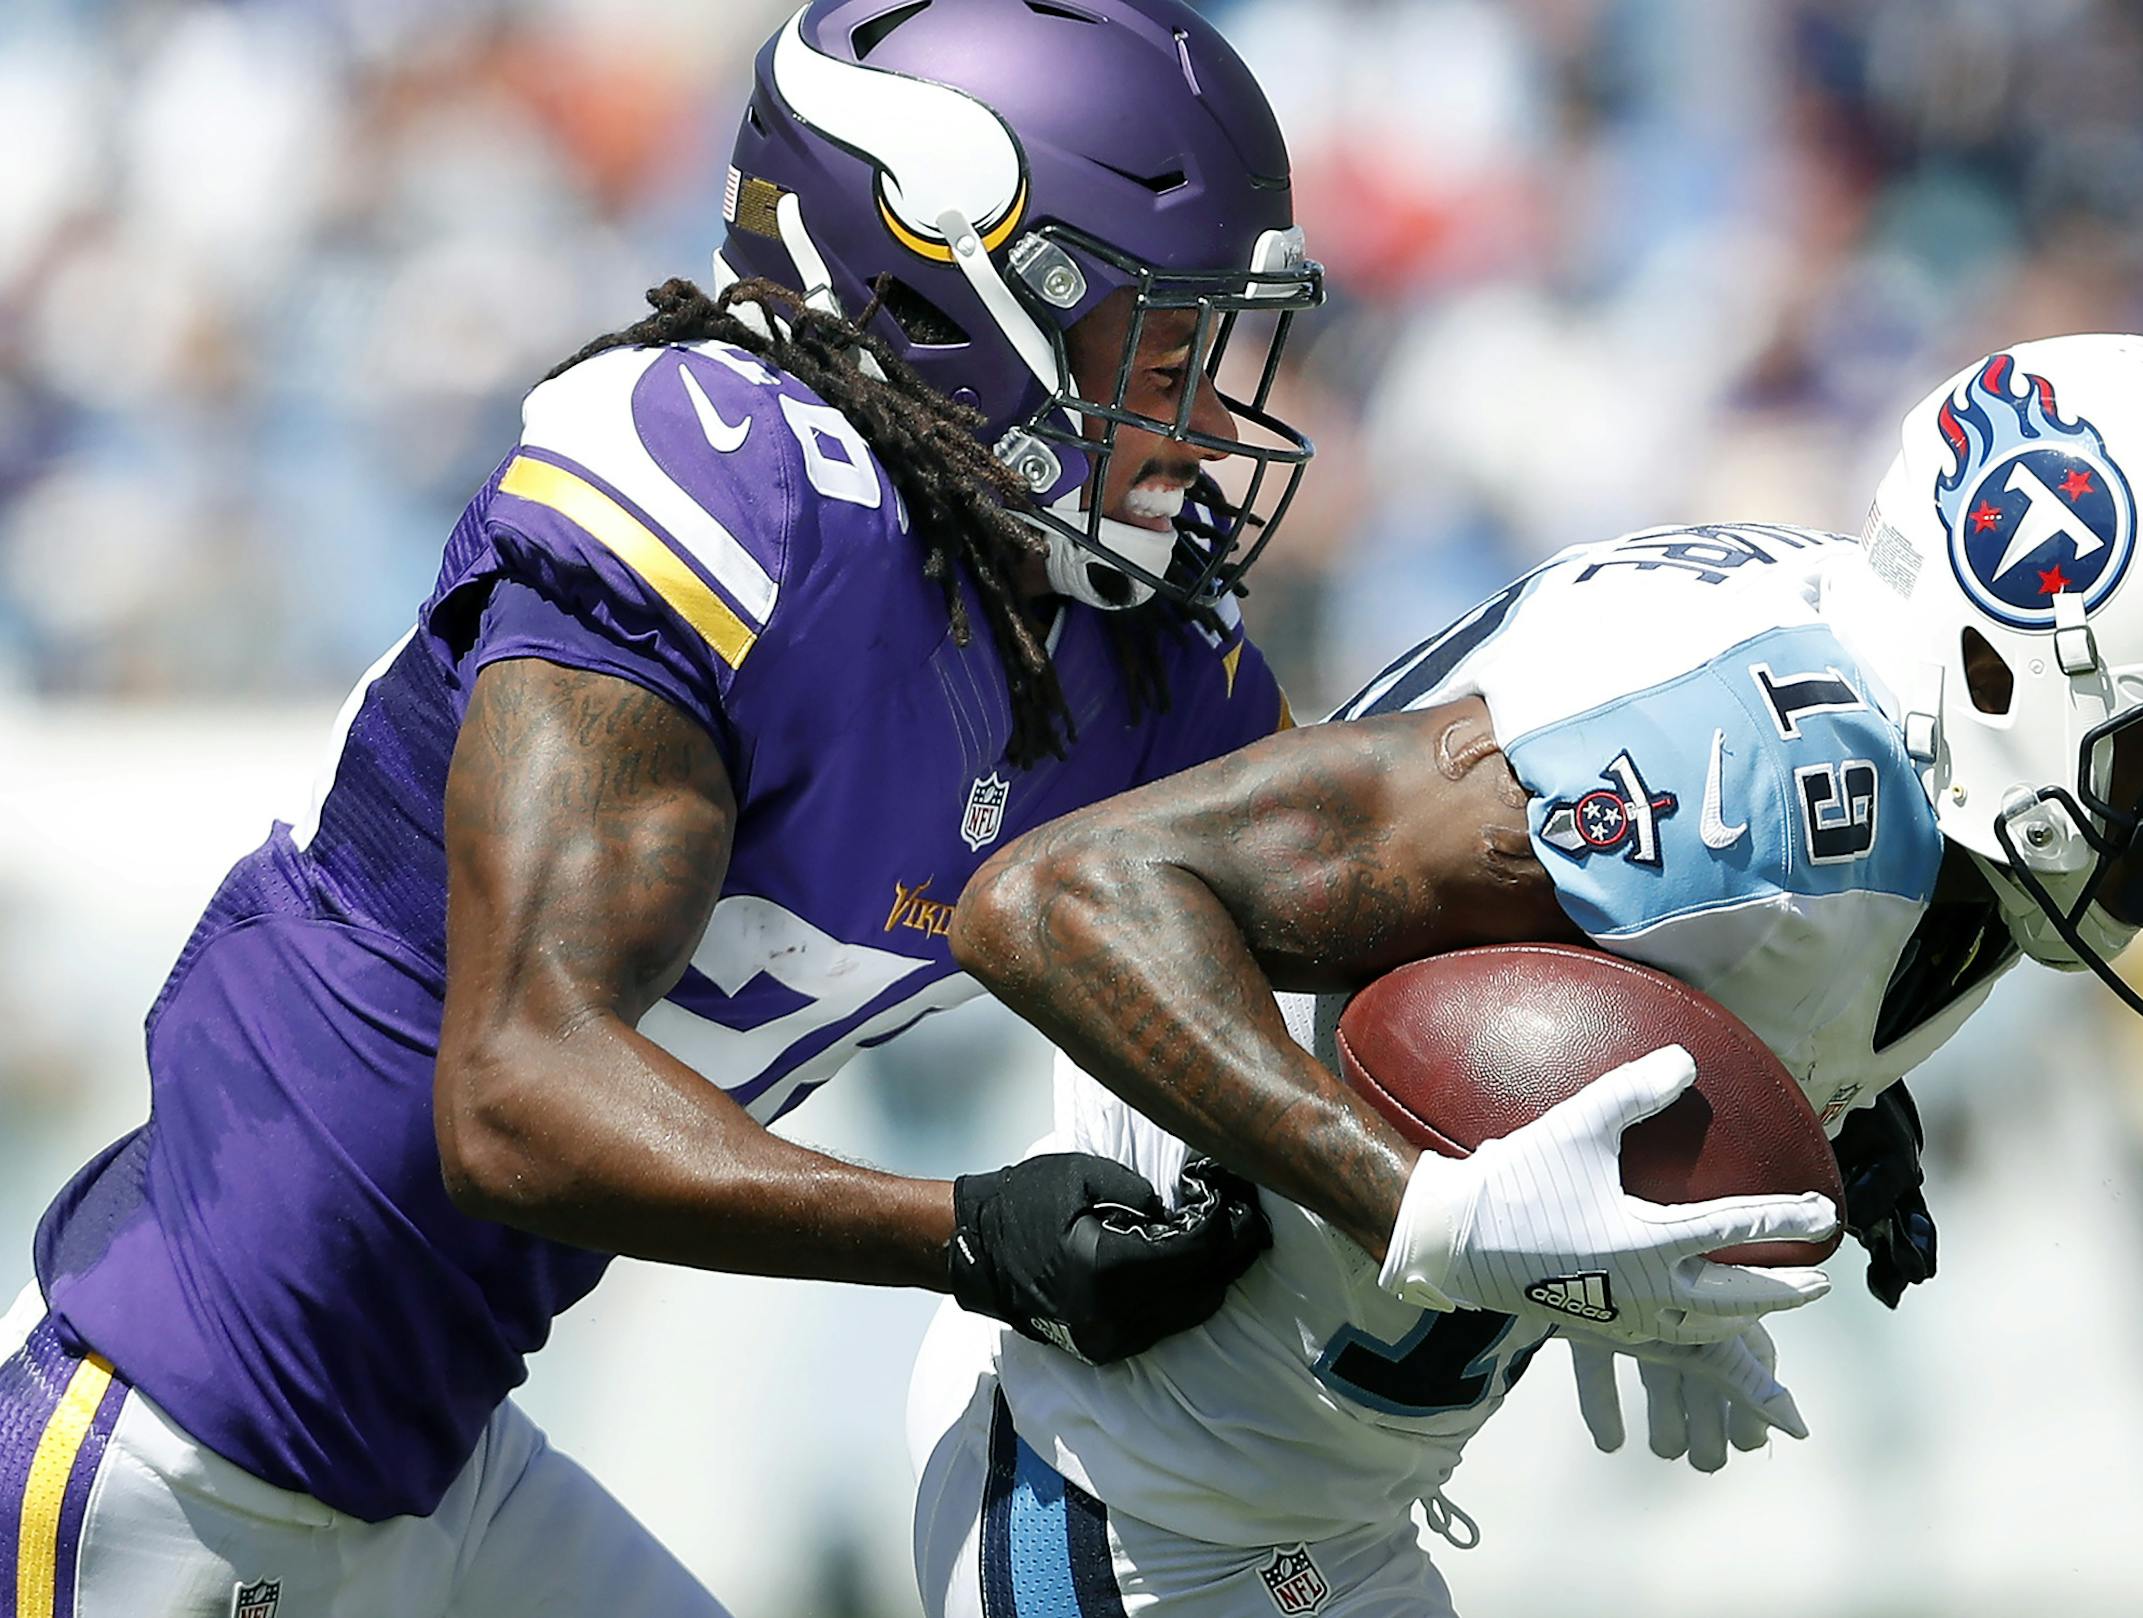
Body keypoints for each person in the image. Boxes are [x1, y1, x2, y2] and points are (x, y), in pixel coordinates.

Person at [0, 3, 1345, 1613]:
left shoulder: (1109, 657)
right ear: (960, 285)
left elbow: (1363, 851)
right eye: (1162, 341)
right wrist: (967, 1231)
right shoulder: (733, 488)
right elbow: (513, 1093)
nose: (1199, 419)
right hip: (174, 1462)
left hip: (434, 1461)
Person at [908, 333, 2143, 1618]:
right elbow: (1055, 902)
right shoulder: (1731, 787)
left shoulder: (1953, 796)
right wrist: (1431, 1209)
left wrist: (1795, 1116)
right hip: (1128, 1487)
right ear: (2003, 668)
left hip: (1314, 1512)